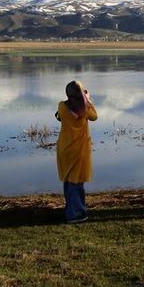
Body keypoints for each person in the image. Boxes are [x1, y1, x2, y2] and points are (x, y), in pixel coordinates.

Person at [56, 80, 98, 223]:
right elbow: (95, 116)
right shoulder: (85, 110)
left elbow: (59, 116)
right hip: (78, 149)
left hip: (64, 148)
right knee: (77, 182)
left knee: (69, 181)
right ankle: (76, 214)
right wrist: (87, 99)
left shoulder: (62, 106)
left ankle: (71, 209)